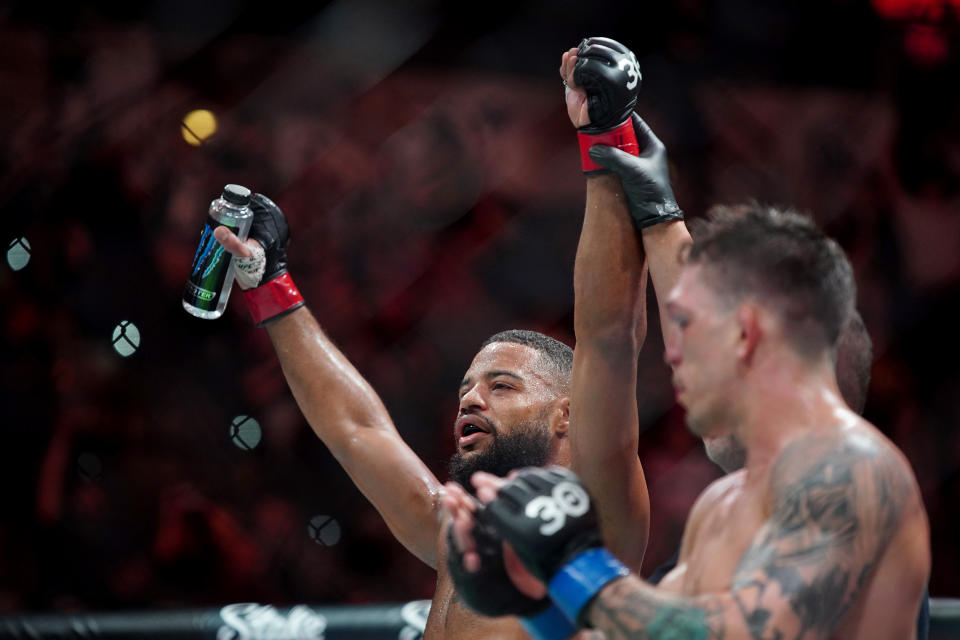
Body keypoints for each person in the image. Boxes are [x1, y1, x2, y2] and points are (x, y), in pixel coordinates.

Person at [208, 36, 655, 638]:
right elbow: (356, 429)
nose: (471, 400)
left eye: (502, 386)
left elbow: (608, 335)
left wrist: (606, 141)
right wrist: (273, 285)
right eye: (469, 387)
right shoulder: (456, 534)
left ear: (567, 415)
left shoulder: (594, 523)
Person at [445, 203, 931, 638]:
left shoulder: (850, 468)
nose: (672, 355)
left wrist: (574, 566)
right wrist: (536, 603)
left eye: (687, 326)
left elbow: (746, 633)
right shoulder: (719, 507)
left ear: (744, 333)